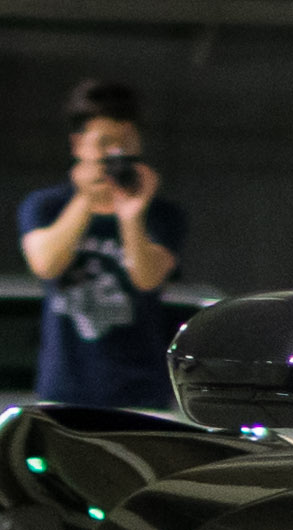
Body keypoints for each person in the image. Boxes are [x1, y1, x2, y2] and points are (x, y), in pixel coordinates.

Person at [15, 78, 190, 409]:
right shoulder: (45, 206)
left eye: (126, 142)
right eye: (105, 143)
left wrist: (131, 214)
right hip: (65, 390)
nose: (116, 154)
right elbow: (46, 264)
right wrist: (86, 199)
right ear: (78, 145)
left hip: (141, 391)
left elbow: (147, 278)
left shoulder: (163, 213)